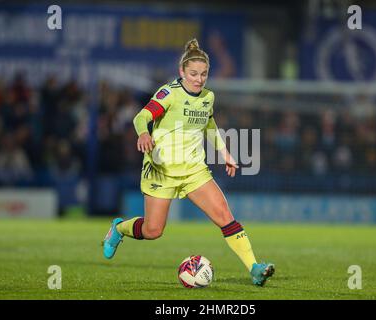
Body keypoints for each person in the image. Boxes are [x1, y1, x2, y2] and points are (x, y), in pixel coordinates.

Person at [101, 39, 274, 286]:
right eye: (193, 73)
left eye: (204, 74)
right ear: (182, 72)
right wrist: (143, 133)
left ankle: (254, 269)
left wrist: (224, 152)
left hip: (194, 170)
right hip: (162, 170)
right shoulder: (169, 93)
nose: (199, 79)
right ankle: (119, 228)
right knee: (153, 231)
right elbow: (143, 116)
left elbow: (210, 125)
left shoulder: (207, 97)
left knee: (225, 216)